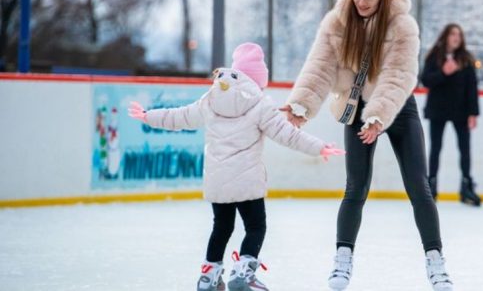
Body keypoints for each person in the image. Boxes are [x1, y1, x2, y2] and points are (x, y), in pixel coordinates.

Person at [280, 0, 454, 290]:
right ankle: (342, 261)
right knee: (355, 187)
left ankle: (436, 262)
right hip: (356, 108)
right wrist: (301, 104)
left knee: (419, 186)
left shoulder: (402, 25)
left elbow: (398, 75)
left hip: (397, 106)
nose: (361, 2)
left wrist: (378, 116)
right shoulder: (337, 20)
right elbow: (320, 66)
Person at [128, 43, 344, 291]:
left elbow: (180, 117)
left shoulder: (211, 98)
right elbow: (288, 135)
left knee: (221, 227)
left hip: (217, 181)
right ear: (258, 79)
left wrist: (148, 116)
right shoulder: (261, 104)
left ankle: (208, 277)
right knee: (256, 227)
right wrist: (319, 147)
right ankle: (243, 274)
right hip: (247, 181)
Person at [420, 23, 481, 206]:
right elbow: (425, 81)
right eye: (453, 34)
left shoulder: (466, 59)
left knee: (464, 149)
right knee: (435, 149)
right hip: (438, 109)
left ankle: (466, 187)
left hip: (461, 111)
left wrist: (473, 113)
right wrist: (443, 73)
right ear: (446, 36)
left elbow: (472, 87)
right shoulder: (434, 56)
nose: (456, 37)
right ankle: (431, 187)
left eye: (459, 35)